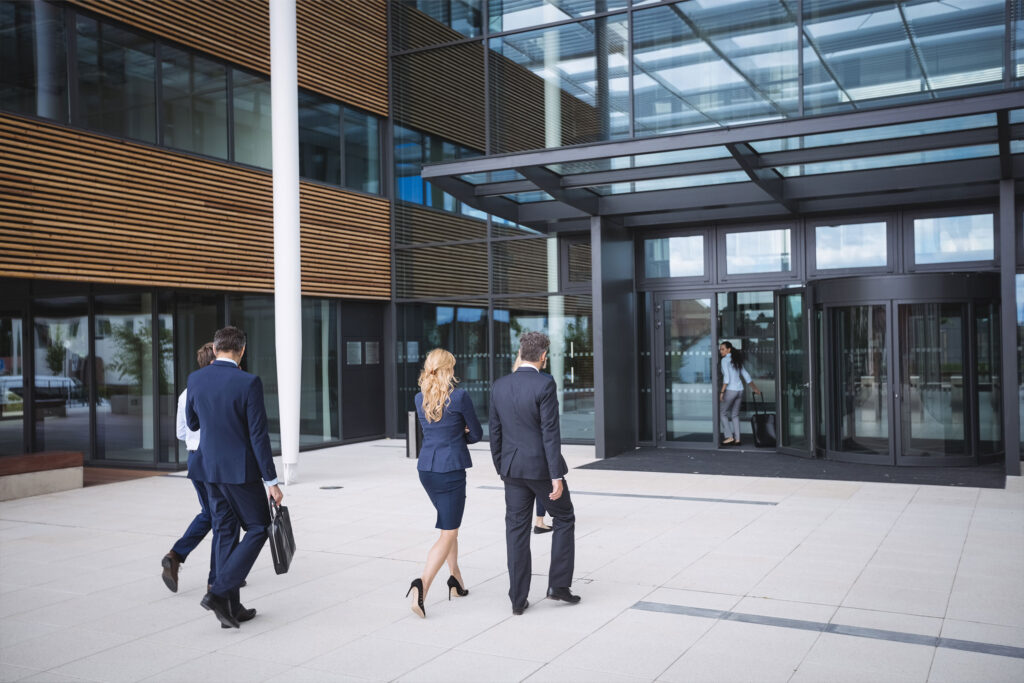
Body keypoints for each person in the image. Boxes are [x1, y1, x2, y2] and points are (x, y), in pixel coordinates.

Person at [185, 326, 283, 629]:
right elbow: (258, 436)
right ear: (241, 351)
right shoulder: (249, 382)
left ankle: (232, 608)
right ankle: (220, 590)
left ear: (215, 350)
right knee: (258, 527)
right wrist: (271, 481)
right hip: (240, 472)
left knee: (226, 529)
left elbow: (193, 422)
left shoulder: (195, 378)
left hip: (209, 470)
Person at [490, 332, 580, 615]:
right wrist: (556, 476)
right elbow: (550, 433)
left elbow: (495, 432)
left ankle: (518, 599)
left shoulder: (500, 385)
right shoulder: (545, 384)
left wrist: (501, 467)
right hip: (541, 469)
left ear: (521, 352)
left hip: (512, 469)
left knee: (516, 530)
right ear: (543, 356)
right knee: (564, 516)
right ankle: (558, 586)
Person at [406, 348, 482, 618]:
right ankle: (422, 585)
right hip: (450, 470)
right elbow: (477, 434)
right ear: (449, 368)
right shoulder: (459, 397)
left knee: (450, 526)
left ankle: (456, 580)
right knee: (448, 531)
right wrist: (462, 433)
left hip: (427, 470)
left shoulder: (419, 397)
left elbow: (433, 429)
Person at [161, 342, 217, 592]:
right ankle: (219, 578)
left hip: (194, 458)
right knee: (224, 516)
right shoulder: (217, 389)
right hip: (214, 459)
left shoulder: (186, 393)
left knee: (210, 513)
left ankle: (175, 556)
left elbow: (181, 433)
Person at [511, 351, 551, 536]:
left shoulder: (507, 383)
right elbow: (549, 424)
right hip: (538, 447)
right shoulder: (545, 381)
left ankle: (538, 521)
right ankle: (540, 521)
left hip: (514, 455)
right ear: (542, 356)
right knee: (545, 483)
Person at [718, 341, 761, 447]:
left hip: (731, 390)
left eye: (723, 349)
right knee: (735, 415)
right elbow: (746, 375)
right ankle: (737, 439)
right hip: (740, 390)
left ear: (729, 349)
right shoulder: (736, 360)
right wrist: (755, 389)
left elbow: (726, 378)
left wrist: (722, 391)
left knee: (722, 413)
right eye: (720, 349)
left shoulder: (724, 360)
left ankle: (729, 437)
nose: (721, 351)